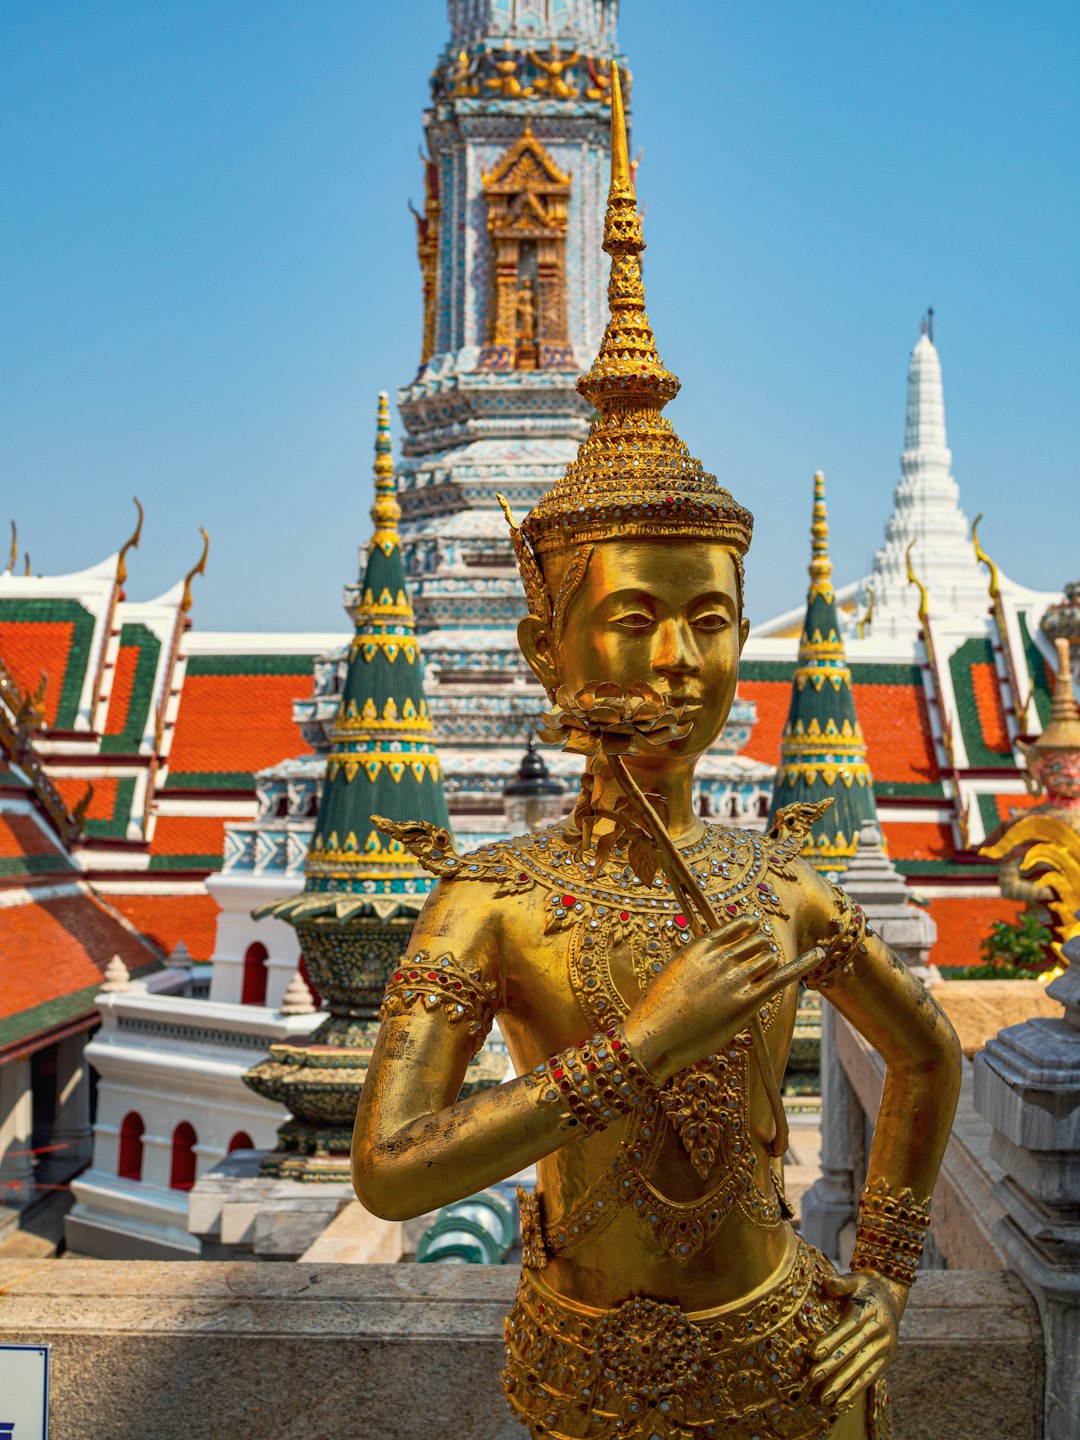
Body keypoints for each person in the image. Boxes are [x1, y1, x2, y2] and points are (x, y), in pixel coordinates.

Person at [353, 66, 961, 1440]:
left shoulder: (784, 883)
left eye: (711, 622)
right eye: (634, 621)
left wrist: (882, 1281)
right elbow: (390, 1173)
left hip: (798, 1366)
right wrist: (644, 1042)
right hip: (587, 1381)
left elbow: (928, 1058)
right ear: (545, 654)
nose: (681, 663)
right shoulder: (493, 900)